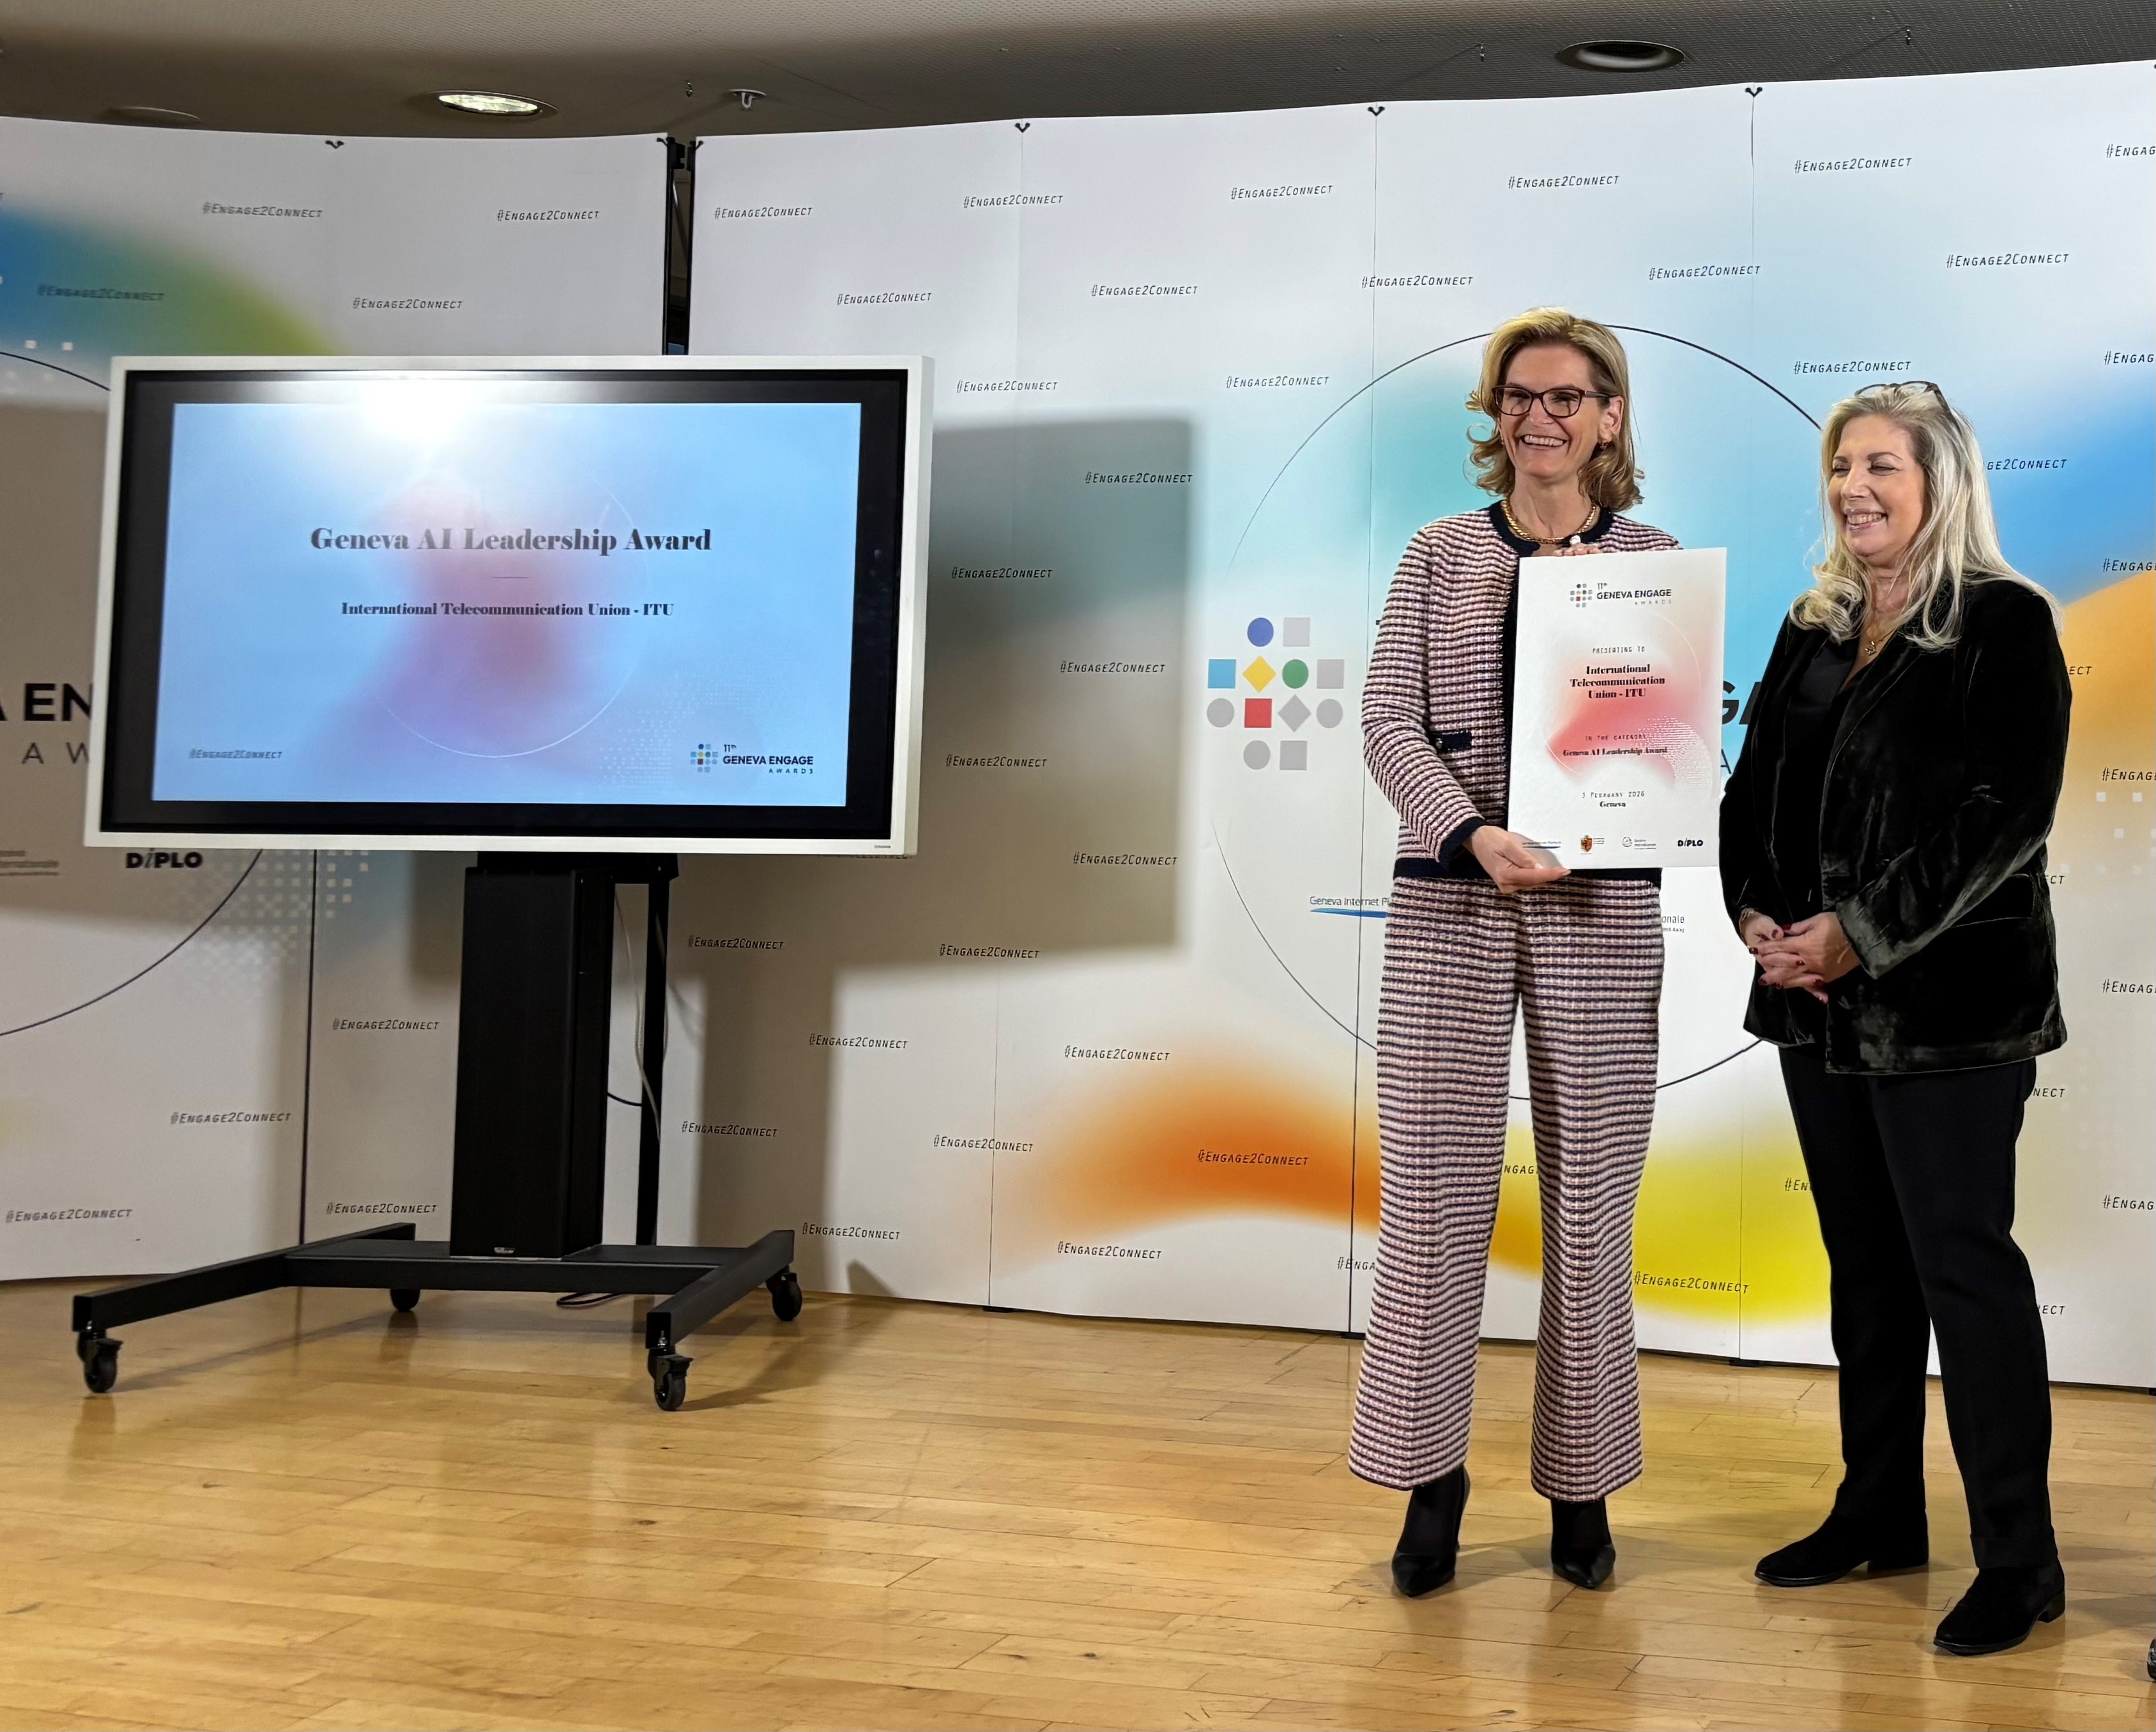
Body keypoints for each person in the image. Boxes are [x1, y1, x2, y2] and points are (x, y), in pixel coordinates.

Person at [1719, 380, 2070, 1657]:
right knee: (1863, 1276)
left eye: (1880, 466)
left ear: (1940, 483)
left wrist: (1857, 933)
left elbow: (2002, 814)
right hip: (1813, 1012)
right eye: (1837, 467)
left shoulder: (2002, 623)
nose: (1853, 488)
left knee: (1960, 1274)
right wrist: (1758, 919)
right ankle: (1874, 1514)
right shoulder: (1810, 626)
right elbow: (1752, 784)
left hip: (1948, 1016)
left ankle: (2016, 1562)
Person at [1351, 308, 1677, 1597]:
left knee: (1590, 1206)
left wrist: (1667, 736)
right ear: (1494, 417)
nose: (1538, 417)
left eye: (1566, 396)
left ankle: (1581, 1486)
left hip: (1600, 913)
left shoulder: (1652, 561)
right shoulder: (1435, 554)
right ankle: (1429, 1484)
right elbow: (1384, 721)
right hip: (1450, 905)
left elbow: (1660, 737)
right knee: (1431, 1209)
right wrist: (1469, 833)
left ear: (1609, 415)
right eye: (1517, 396)